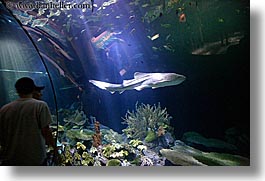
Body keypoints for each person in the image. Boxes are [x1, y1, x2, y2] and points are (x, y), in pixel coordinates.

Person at [0, 77, 56, 165]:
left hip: (10, 159)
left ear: (17, 91)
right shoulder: (40, 105)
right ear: (33, 89)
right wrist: (55, 150)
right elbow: (46, 131)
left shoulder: (4, 109)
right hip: (35, 159)